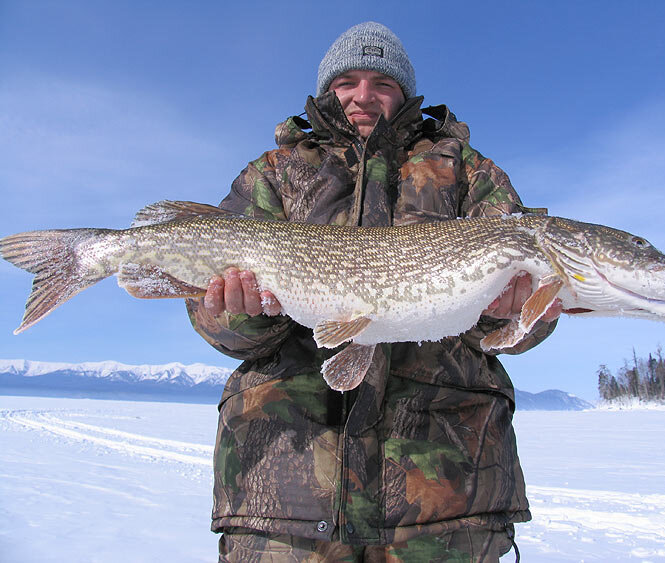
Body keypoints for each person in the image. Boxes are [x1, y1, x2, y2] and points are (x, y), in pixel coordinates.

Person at [187, 22, 561, 562]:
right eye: (347, 82)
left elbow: (527, 328)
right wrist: (243, 314)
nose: (364, 96)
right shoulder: (275, 172)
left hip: (443, 492)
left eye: (382, 82)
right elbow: (210, 317)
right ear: (325, 92)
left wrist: (508, 313)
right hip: (284, 485)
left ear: (405, 93)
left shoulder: (467, 174)